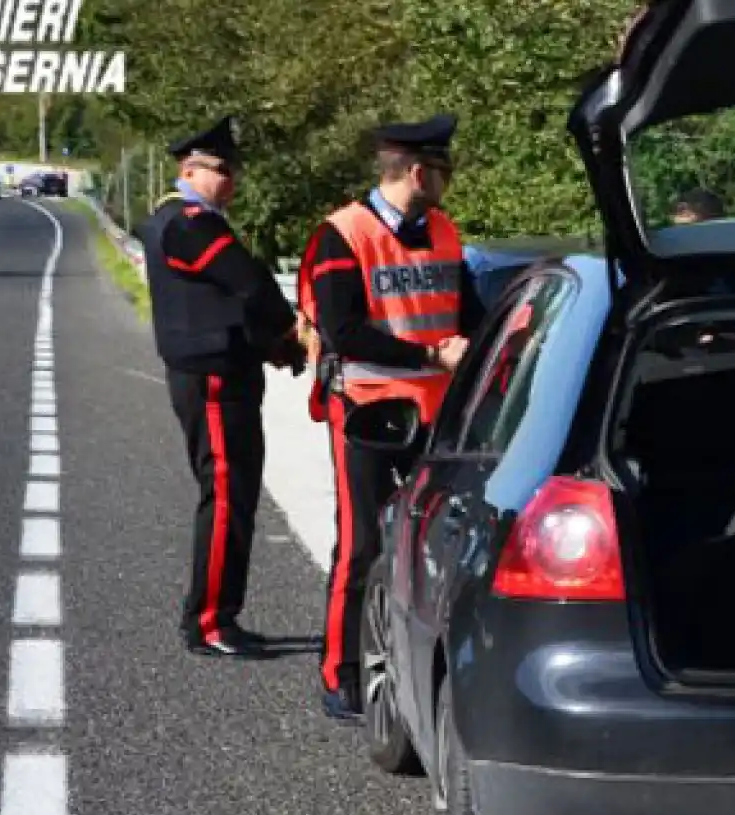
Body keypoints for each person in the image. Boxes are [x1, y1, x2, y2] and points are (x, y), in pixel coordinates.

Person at [295, 113, 485, 722]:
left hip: (435, 411)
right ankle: (339, 675)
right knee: (361, 543)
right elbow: (342, 330)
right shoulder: (341, 234)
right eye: (443, 169)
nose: (448, 181)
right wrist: (429, 353)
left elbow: (469, 316)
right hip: (370, 412)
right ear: (415, 170)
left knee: (433, 542)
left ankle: (407, 665)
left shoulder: (444, 231)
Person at [138, 115, 305, 658]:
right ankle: (209, 620)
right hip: (212, 375)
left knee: (235, 494)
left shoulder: (183, 219)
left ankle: (216, 613)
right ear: (190, 169)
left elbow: (227, 301)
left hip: (220, 368)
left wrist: (269, 346)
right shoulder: (189, 222)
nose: (231, 180)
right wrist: (287, 333)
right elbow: (250, 283)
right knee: (228, 495)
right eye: (221, 170)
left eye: (233, 170)